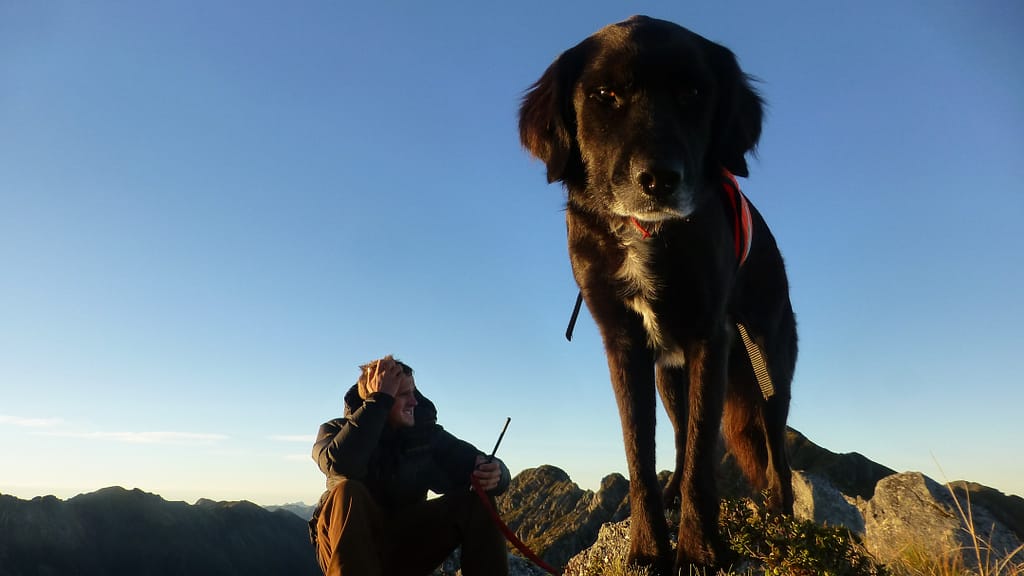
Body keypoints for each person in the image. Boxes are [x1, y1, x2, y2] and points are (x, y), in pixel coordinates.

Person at [310, 355, 511, 576]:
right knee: (348, 491)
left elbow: (476, 463)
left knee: (477, 502)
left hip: (403, 546)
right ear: (379, 396)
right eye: (404, 395)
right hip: (350, 550)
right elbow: (342, 465)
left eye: (413, 393)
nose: (414, 402)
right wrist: (379, 401)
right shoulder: (335, 431)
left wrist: (498, 474)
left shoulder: (425, 436)